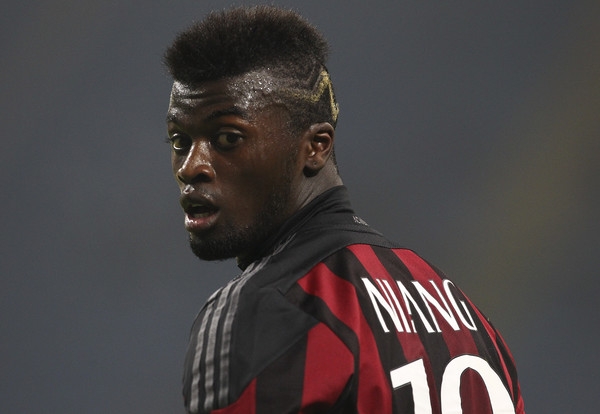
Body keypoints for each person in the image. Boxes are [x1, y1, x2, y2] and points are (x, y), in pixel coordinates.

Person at [163, 5, 525, 414]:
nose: (191, 166)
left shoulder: (267, 308)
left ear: (315, 147)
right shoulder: (471, 320)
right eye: (179, 141)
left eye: (228, 138)